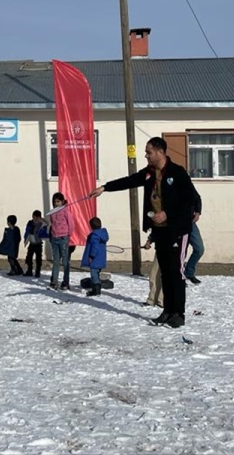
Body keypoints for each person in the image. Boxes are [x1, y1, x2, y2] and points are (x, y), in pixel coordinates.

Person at [91, 136, 196, 329]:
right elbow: (129, 181)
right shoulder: (149, 173)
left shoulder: (177, 172)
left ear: (159, 152)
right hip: (160, 231)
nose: (145, 155)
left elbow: (189, 201)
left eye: (148, 152)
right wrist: (105, 188)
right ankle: (167, 310)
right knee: (165, 272)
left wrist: (167, 214)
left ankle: (178, 313)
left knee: (176, 272)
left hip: (177, 230)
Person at [47, 192, 74, 291]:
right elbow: (52, 223)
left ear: (62, 201)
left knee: (65, 261)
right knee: (56, 261)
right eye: (54, 202)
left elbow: (71, 224)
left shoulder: (66, 211)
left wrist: (68, 234)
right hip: (55, 238)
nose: (56, 204)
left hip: (63, 238)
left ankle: (65, 282)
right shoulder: (52, 212)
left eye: (58, 202)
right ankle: (54, 281)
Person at [81, 217, 109, 297]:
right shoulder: (103, 234)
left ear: (91, 226)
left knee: (94, 275)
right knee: (96, 273)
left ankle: (96, 290)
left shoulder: (94, 236)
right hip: (101, 258)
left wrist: (91, 256)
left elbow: (94, 247)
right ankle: (97, 288)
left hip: (95, 259)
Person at [23, 210, 47, 278]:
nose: (34, 219)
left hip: (38, 243)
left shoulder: (42, 224)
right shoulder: (30, 223)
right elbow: (27, 231)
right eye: (33, 217)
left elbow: (47, 225)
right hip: (32, 243)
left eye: (36, 218)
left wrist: (42, 220)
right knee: (29, 257)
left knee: (38, 258)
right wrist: (25, 239)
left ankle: (37, 271)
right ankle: (29, 270)